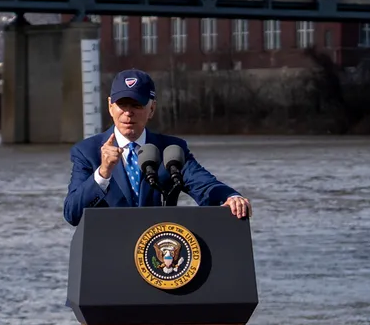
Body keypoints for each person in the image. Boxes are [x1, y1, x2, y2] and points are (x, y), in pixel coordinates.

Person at [63, 68, 250, 226]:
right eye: (122, 104)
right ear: (110, 106)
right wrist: (103, 173)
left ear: (151, 109)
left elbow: (204, 184)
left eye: (136, 105)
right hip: (111, 257)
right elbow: (72, 214)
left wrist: (231, 197)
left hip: (158, 258)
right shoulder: (87, 152)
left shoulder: (171, 150)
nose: (128, 113)